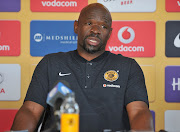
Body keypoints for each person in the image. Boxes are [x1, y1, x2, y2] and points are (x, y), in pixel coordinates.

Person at [11, 3, 154, 132]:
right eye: (89, 23)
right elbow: (31, 110)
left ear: (110, 33)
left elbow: (139, 111)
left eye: (103, 26)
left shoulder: (127, 66)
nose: (96, 30)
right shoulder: (51, 63)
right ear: (76, 26)